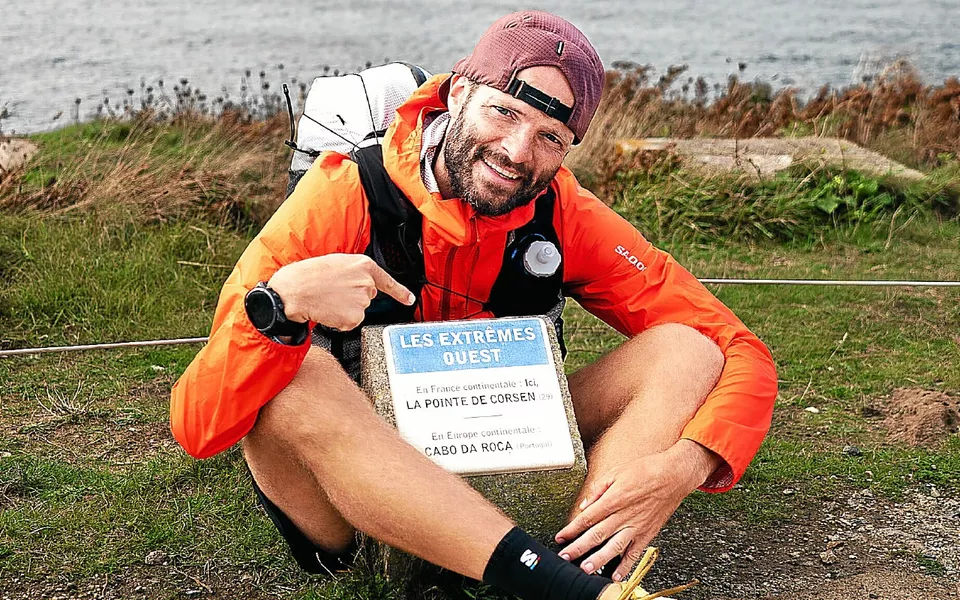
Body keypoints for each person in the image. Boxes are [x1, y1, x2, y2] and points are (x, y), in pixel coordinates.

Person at [170, 10, 777, 600]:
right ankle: (558, 586)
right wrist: (281, 307)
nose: (516, 152)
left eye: (549, 138)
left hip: (501, 453)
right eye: (504, 112)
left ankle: (591, 565)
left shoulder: (563, 211)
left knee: (687, 349)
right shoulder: (342, 194)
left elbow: (737, 348)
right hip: (352, 497)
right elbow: (197, 425)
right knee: (291, 373)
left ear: (569, 150)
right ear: (458, 91)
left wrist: (687, 465)